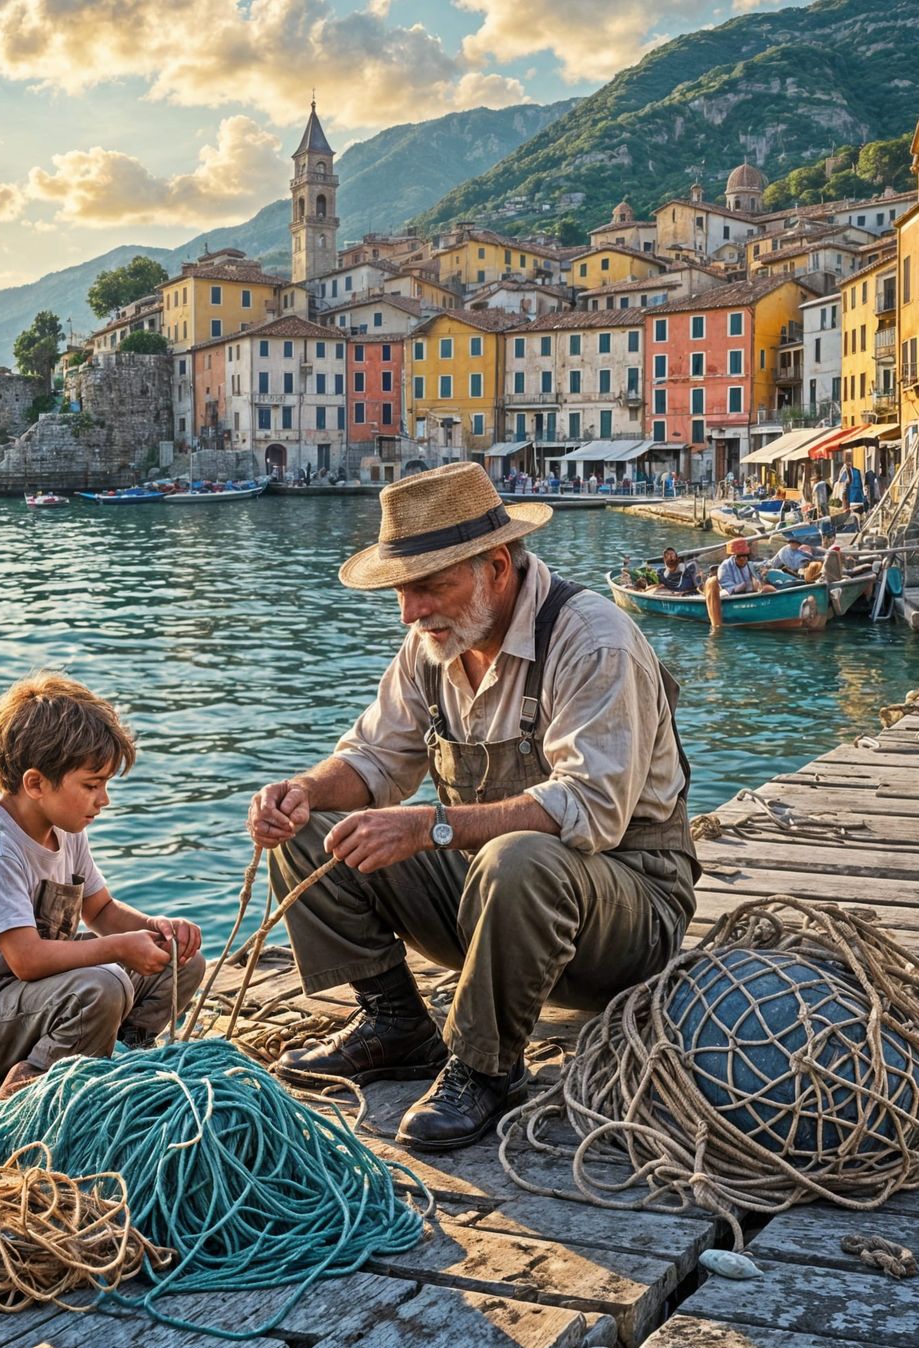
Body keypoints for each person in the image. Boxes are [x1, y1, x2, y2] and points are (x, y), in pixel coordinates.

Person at [245, 463, 698, 1152]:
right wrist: (302, 792)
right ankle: (395, 1024)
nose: (410, 611)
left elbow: (592, 810)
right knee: (311, 838)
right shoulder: (432, 648)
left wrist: (432, 824)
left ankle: (485, 1068)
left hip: (629, 913)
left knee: (519, 858)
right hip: (498, 908)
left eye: (430, 586)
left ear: (495, 566)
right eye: (403, 590)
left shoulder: (594, 639)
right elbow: (374, 760)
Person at [0, 673, 205, 1099]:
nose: (104, 800)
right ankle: (34, 1080)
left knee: (178, 961)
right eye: (92, 785)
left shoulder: (66, 829)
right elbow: (27, 960)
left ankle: (124, 1051)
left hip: (28, 996)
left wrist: (157, 930)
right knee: (103, 985)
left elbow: (100, 911)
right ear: (35, 783)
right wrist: (120, 949)